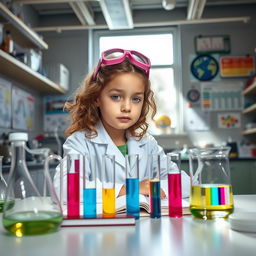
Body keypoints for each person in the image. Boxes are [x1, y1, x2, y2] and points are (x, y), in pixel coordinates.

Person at [54, 48, 190, 202]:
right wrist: (132, 189)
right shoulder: (80, 143)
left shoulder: (147, 143)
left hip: (144, 223)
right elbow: (66, 189)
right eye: (116, 97)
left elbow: (184, 182)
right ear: (96, 98)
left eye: (136, 99)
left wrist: (154, 188)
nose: (127, 107)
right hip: (102, 225)